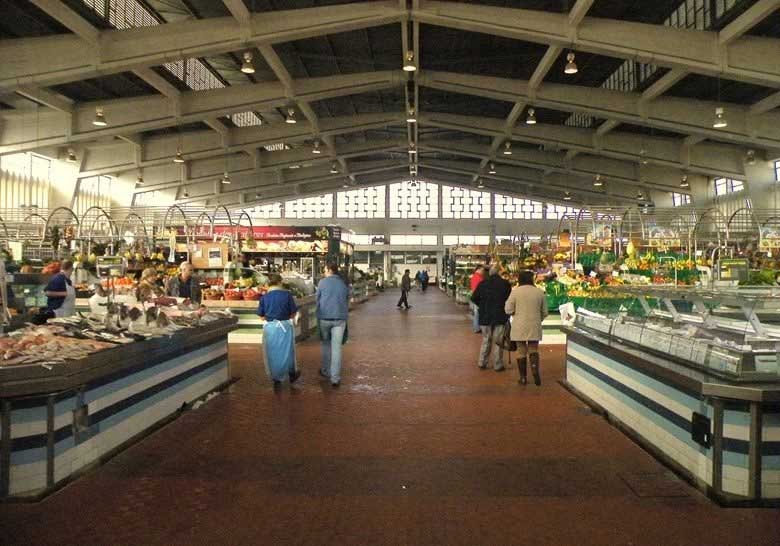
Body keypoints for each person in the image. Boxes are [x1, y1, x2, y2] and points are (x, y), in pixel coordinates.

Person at [505, 270, 548, 386]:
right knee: (533, 349)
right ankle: (535, 374)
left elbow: (507, 309)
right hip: (534, 325)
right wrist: (538, 320)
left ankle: (523, 378)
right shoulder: (539, 292)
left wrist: (515, 313)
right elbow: (545, 312)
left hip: (519, 326)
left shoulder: (515, 292)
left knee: (521, 351)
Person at [258, 273, 300, 386]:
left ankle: (276, 378)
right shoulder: (287, 295)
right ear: (279, 282)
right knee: (289, 351)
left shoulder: (264, 297)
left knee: (272, 353)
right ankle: (292, 373)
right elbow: (293, 313)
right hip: (285, 327)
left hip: (270, 328)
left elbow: (262, 316)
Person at [471, 265, 511, 371]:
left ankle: (482, 362)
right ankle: (498, 365)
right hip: (500, 315)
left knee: (486, 339)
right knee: (499, 341)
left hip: (485, 316)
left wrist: (483, 306)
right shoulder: (505, 284)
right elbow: (509, 299)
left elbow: (474, 298)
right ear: (499, 273)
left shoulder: (482, 284)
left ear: (489, 273)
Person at [316, 262, 350, 387]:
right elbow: (347, 300)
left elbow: (317, 300)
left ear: (330, 270)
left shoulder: (322, 283)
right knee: (336, 348)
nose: (324, 272)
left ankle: (325, 371)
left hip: (324, 318)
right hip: (340, 319)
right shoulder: (343, 283)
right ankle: (335, 378)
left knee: (325, 344)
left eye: (325, 270)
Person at [469, 265, 486, 333]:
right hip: (479, 298)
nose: (483, 272)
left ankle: (476, 327)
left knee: (476, 313)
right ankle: (477, 328)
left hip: (475, 297)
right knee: (477, 313)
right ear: (478, 269)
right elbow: (479, 289)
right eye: (482, 270)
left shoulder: (474, 277)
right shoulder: (478, 278)